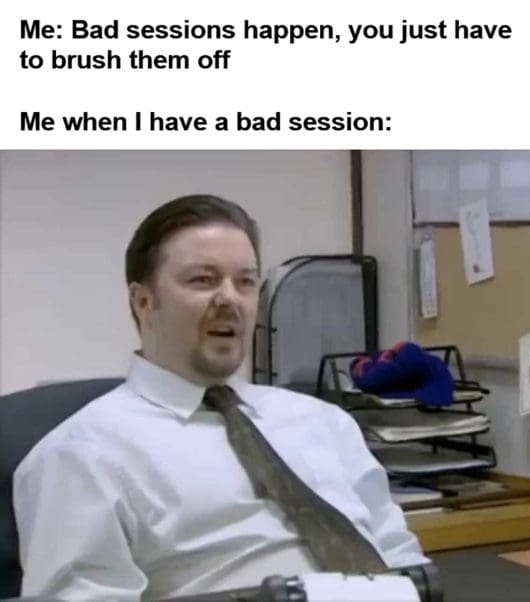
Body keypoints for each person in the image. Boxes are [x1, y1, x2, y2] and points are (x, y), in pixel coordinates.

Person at [13, 195, 427, 601]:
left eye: (245, 282)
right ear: (143, 302)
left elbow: (402, 560)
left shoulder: (323, 421)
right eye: (203, 280)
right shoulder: (82, 455)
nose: (230, 299)